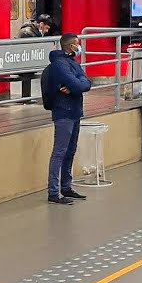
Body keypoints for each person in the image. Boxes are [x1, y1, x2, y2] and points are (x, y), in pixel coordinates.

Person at [44, 33, 91, 206]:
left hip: (75, 111)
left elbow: (86, 82)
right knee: (60, 151)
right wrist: (77, 84)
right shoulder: (59, 65)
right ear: (70, 46)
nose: (79, 47)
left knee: (70, 151)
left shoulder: (72, 63)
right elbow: (79, 84)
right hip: (63, 112)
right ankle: (53, 191)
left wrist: (77, 85)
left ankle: (66, 186)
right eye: (76, 44)